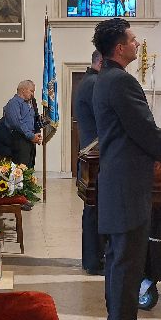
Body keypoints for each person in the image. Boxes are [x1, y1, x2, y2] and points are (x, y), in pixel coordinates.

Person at [92, 18, 161, 320]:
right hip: (127, 184)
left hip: (118, 180)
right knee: (127, 260)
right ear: (119, 48)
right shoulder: (121, 82)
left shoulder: (105, 78)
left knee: (119, 259)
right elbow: (143, 127)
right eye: (132, 39)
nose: (137, 43)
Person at [73, 50, 106, 275]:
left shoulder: (88, 81)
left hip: (91, 155)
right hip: (95, 155)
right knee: (95, 212)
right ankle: (95, 261)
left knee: (93, 211)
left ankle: (91, 260)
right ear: (101, 62)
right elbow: (106, 118)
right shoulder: (94, 83)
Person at [2, 80, 42, 168]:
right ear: (23, 90)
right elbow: (17, 123)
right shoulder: (13, 103)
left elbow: (32, 121)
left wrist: (36, 134)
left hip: (29, 139)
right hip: (20, 140)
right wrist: (32, 136)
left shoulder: (28, 104)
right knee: (21, 169)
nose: (32, 94)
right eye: (31, 91)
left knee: (29, 168)